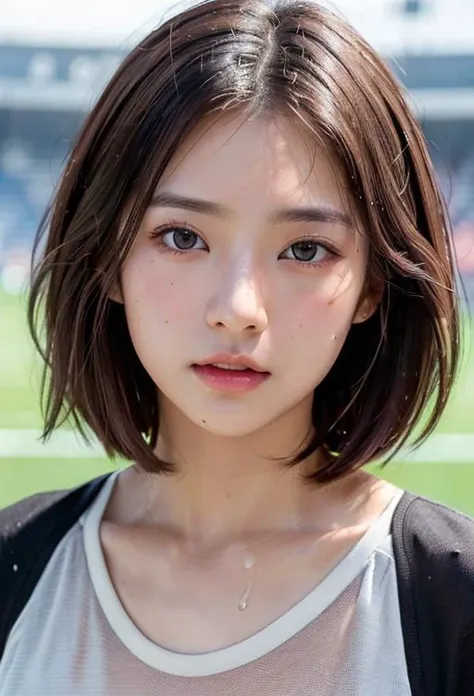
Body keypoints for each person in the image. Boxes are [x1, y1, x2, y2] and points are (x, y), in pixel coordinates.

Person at [1, 0, 474, 693]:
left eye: (305, 249)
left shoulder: (449, 597)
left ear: (373, 284)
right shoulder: (18, 570)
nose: (237, 310)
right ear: (108, 258)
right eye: (183, 237)